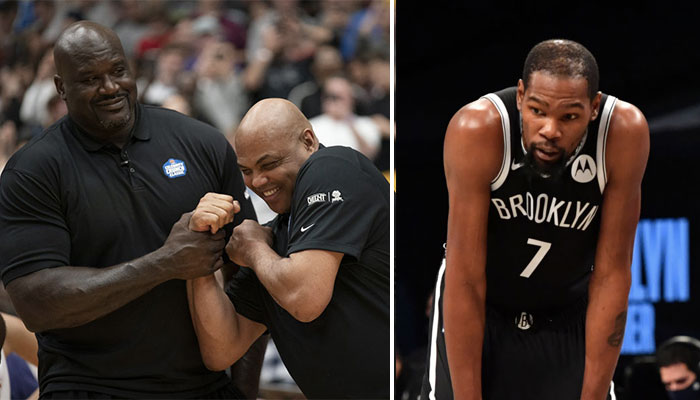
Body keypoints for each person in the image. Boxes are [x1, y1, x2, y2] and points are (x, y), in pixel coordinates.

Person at [0, 21, 262, 398]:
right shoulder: (34, 170)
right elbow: (36, 303)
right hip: (88, 386)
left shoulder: (201, 143)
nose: (109, 88)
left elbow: (251, 278)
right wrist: (164, 263)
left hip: (202, 386)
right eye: (90, 78)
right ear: (61, 88)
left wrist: (243, 390)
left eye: (118, 71)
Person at [420, 39, 650, 400]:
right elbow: (465, 277)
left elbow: (611, 276)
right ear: (521, 97)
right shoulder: (478, 128)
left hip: (568, 311)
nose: (550, 130)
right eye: (538, 111)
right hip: (484, 305)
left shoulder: (622, 132)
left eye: (569, 116)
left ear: (593, 108)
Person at [186, 98, 390, 399]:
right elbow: (221, 349)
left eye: (269, 164)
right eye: (246, 170)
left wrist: (254, 249)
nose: (258, 181)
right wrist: (199, 251)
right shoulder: (277, 243)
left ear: (308, 141)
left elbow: (304, 297)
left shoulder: (332, 166)